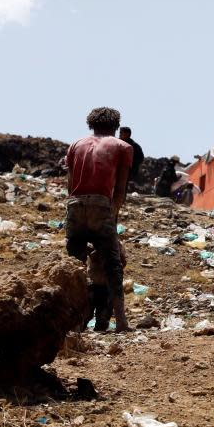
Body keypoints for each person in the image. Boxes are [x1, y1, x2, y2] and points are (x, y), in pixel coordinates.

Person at [65, 107, 133, 332]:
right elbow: (120, 189)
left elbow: (70, 184)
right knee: (113, 264)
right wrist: (112, 215)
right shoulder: (123, 147)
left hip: (75, 205)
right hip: (101, 206)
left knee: (74, 265)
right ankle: (121, 321)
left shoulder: (75, 145)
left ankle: (71, 323)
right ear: (115, 126)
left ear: (91, 124)